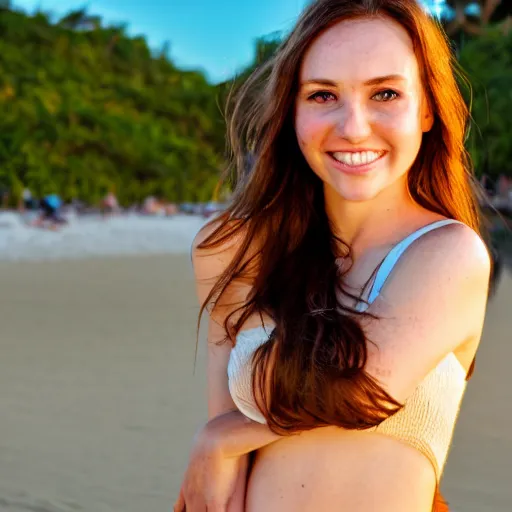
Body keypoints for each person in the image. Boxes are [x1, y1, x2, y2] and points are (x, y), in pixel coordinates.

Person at [175, 1, 492, 511]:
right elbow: (226, 480)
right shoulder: (234, 250)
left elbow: (356, 391)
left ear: (428, 108)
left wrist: (219, 440)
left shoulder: (448, 256)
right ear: (292, 110)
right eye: (323, 94)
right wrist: (219, 440)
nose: (353, 127)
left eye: (385, 93)